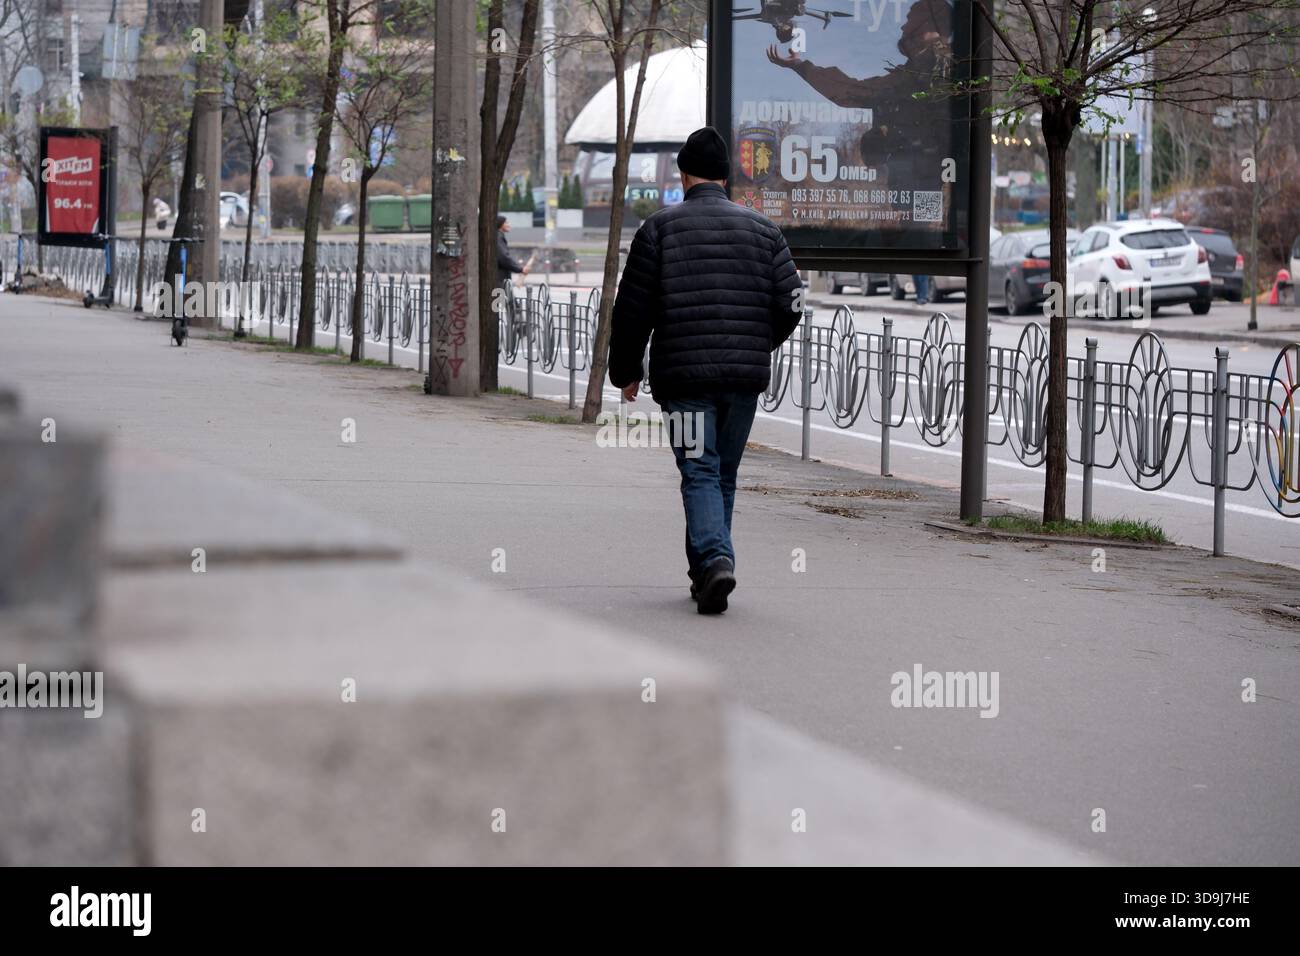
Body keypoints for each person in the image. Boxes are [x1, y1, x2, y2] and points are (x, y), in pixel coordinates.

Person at [608, 126, 803, 615]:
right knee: (724, 476)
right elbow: (792, 301)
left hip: (686, 378)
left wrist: (625, 370)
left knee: (699, 471)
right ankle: (708, 575)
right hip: (742, 380)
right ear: (726, 177)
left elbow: (632, 310)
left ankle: (716, 560)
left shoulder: (658, 229)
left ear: (684, 174)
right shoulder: (765, 232)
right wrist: (760, 343)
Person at [496, 214, 528, 288]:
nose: (509, 225)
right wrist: (520, 269)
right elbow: (503, 257)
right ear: (500, 224)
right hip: (499, 279)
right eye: (506, 223)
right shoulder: (498, 238)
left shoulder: (498, 236)